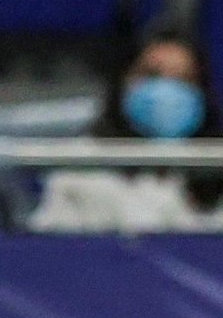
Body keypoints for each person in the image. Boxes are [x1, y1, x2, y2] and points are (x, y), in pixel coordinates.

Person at [30, 30, 223, 233]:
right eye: (152, 74)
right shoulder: (79, 166)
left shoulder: (216, 166)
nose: (167, 89)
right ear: (123, 79)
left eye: (183, 79)